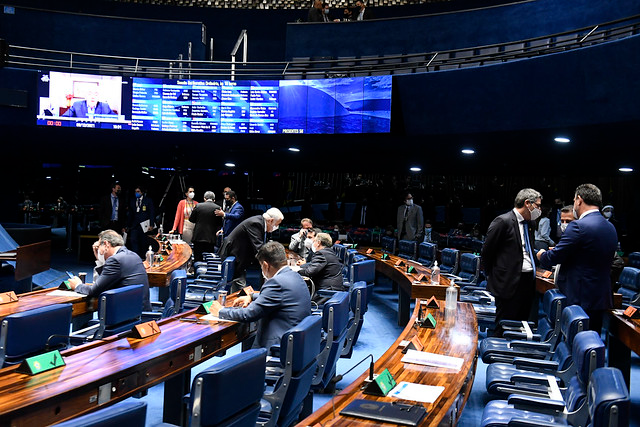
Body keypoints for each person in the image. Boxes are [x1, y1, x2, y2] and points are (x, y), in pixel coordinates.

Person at [537, 184, 617, 334]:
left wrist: (541, 254)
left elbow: (554, 257)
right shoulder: (610, 227)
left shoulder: (578, 226)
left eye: (574, 200)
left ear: (579, 200)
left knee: (574, 347)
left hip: (579, 297)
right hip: (599, 297)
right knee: (591, 343)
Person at [210, 241, 311, 349]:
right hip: (298, 342)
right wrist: (252, 296)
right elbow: (282, 297)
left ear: (266, 265)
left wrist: (221, 311)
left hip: (279, 346)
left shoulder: (276, 282)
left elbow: (249, 314)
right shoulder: (295, 276)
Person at [481, 188, 542, 337]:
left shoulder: (531, 224)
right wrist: (495, 276)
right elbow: (487, 253)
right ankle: (498, 355)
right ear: (527, 203)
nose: (539, 209)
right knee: (504, 324)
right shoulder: (503, 221)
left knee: (521, 324)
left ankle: (516, 353)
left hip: (527, 280)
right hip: (507, 281)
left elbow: (528, 249)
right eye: (538, 205)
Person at [68, 229, 151, 311]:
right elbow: (105, 282)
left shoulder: (115, 260)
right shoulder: (133, 255)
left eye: (98, 247)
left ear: (106, 244)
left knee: (86, 324)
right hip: (141, 314)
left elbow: (94, 291)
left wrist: (77, 285)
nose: (98, 250)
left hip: (125, 317)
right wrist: (99, 260)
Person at [218, 207, 284, 292]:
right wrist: (276, 260)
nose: (277, 227)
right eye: (277, 224)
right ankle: (238, 301)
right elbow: (259, 248)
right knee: (239, 283)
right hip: (234, 254)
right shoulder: (256, 223)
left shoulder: (260, 222)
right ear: (270, 220)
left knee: (239, 283)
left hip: (240, 256)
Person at [295, 232, 344, 303]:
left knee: (299, 300)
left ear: (318, 243)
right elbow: (313, 265)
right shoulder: (329, 252)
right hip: (333, 289)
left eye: (314, 241)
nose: (313, 243)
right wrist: (303, 266)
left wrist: (296, 271)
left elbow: (309, 272)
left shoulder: (321, 253)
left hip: (327, 293)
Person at [189, 191, 222, 262]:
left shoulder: (198, 206)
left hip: (198, 236)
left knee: (197, 258)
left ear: (204, 198)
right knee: (209, 258)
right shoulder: (218, 208)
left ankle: (196, 272)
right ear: (214, 199)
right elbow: (219, 223)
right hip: (210, 237)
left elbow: (191, 219)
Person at [127, 185, 155, 260]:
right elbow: (130, 214)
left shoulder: (148, 200)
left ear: (142, 192)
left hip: (144, 225)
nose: (137, 193)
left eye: (138, 191)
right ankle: (135, 258)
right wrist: (128, 225)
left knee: (143, 243)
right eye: (135, 192)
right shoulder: (132, 200)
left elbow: (151, 213)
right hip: (134, 225)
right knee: (133, 241)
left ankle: (143, 258)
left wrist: (151, 224)